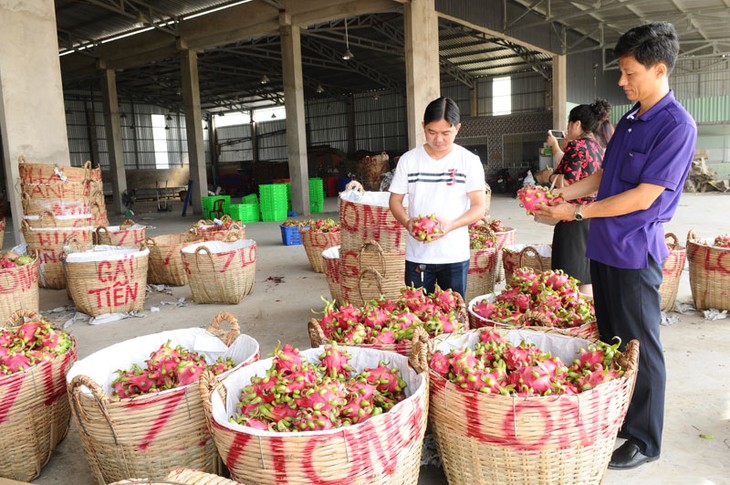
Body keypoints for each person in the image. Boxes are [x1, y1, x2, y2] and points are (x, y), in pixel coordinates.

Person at [535, 22, 697, 470]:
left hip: (633, 251)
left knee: (640, 347)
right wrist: (561, 195)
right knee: (612, 341)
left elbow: (644, 196)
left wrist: (578, 214)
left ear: (659, 69)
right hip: (604, 247)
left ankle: (645, 440)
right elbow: (605, 177)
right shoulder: (630, 119)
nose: (622, 82)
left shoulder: (676, 126)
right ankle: (620, 421)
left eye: (629, 73)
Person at [388, 97, 487, 298]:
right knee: (417, 312)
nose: (438, 139)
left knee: (454, 312)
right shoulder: (409, 160)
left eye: (446, 133)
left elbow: (479, 206)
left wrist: (451, 225)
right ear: (423, 126)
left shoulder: (469, 161)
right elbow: (395, 201)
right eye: (431, 132)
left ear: (457, 128)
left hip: (454, 254)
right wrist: (408, 222)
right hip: (418, 255)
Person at [535, 99, 614, 296]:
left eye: (569, 124)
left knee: (565, 278)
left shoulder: (576, 146)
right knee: (585, 276)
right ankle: (587, 319)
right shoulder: (596, 147)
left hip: (572, 218)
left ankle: (570, 320)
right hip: (592, 217)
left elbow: (569, 183)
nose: (567, 129)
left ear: (577, 124)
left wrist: (549, 177)